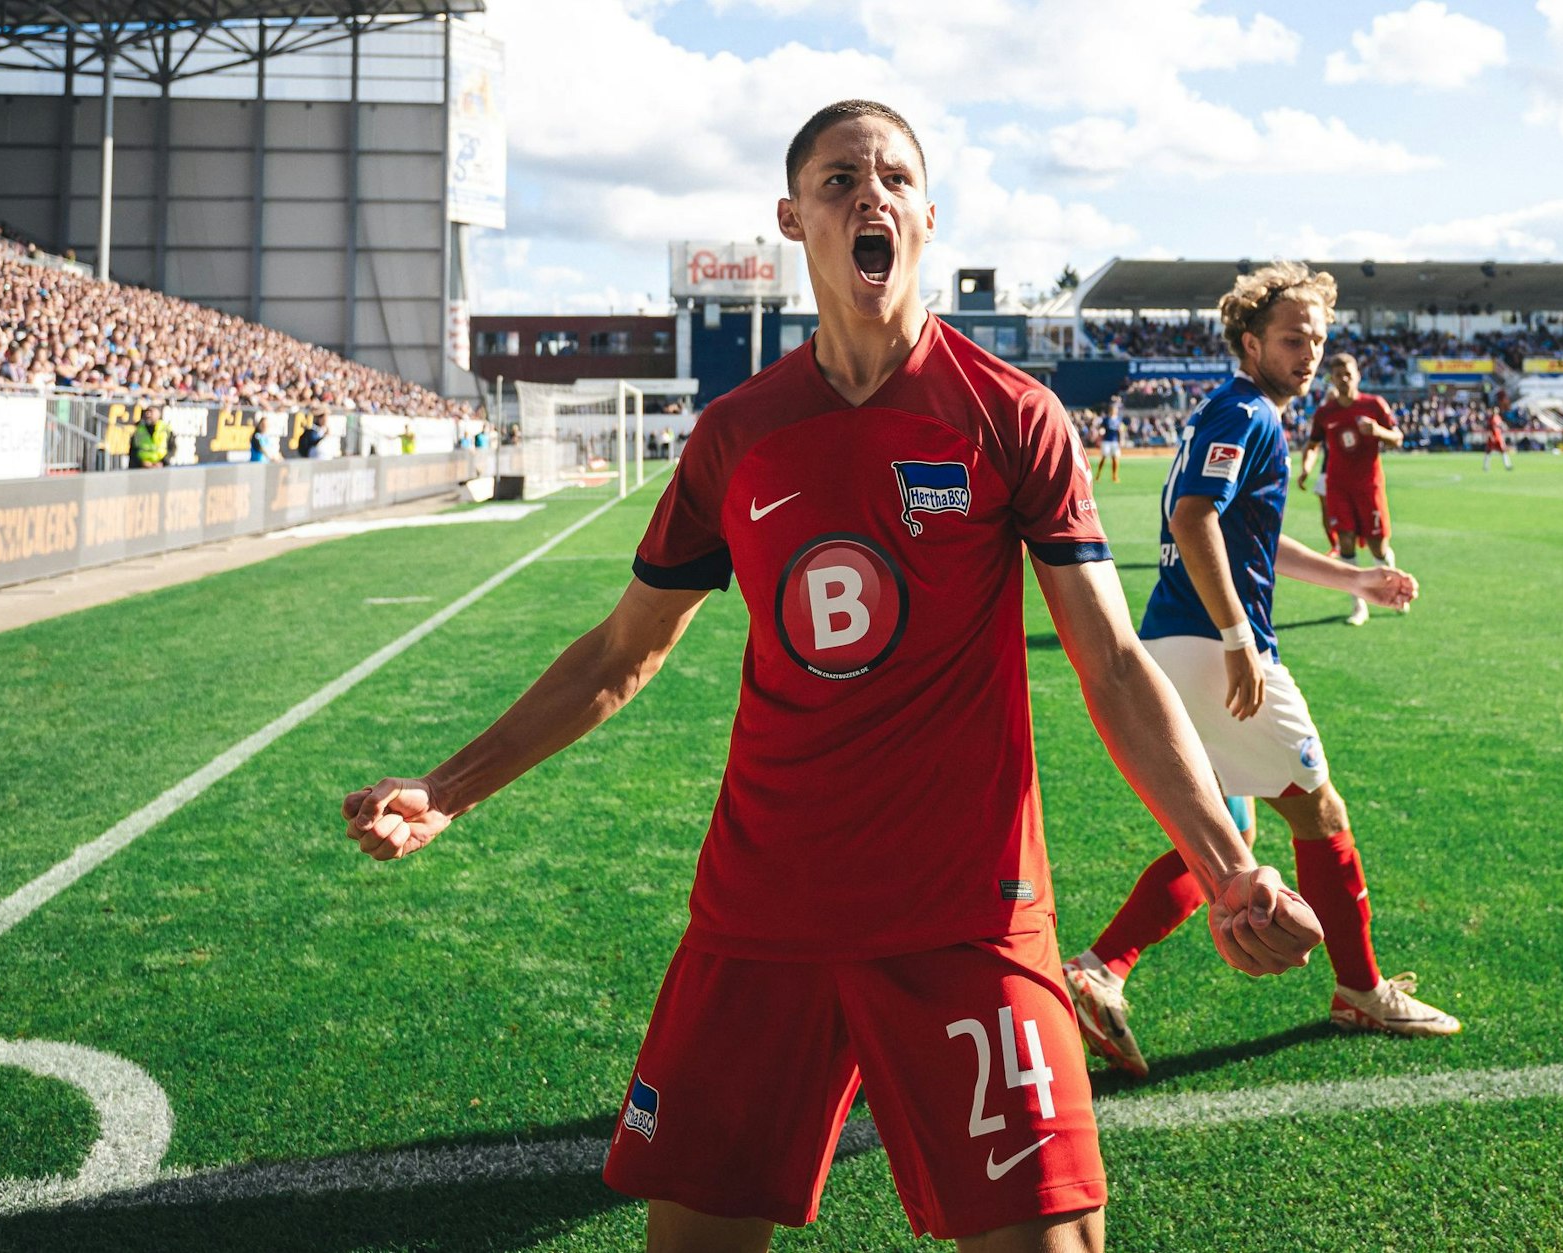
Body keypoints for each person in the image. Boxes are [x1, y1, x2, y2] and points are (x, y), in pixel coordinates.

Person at [343, 100, 1321, 1253]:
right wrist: (448, 785)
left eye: (894, 177)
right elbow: (622, 652)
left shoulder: (1012, 418)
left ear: (925, 217)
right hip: (765, 914)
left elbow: (1109, 662)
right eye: (839, 177)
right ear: (791, 217)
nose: (870, 193)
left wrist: (1225, 863)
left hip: (969, 914)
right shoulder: (736, 435)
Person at [1062, 261, 1459, 1080]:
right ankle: (1361, 989)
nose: (1308, 351)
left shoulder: (1233, 411)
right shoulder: (1249, 412)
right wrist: (1241, 636)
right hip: (1216, 650)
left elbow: (1249, 536)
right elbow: (1193, 516)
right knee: (1319, 811)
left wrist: (1356, 578)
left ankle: (1099, 971)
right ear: (1251, 342)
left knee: (1231, 830)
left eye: (1316, 337)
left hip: (1175, 643)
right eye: (1291, 338)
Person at [1297, 353, 1403, 625]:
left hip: (1369, 486)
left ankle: (1394, 589)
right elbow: (1313, 444)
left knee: (1378, 548)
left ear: (1357, 375)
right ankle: (1359, 605)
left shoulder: (1374, 405)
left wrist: (1378, 431)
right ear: (1331, 378)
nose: (1343, 379)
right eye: (1337, 375)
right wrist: (1306, 467)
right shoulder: (1325, 413)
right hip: (1338, 487)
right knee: (1345, 542)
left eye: (1348, 373)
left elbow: (1398, 438)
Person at [129, 405, 172, 470]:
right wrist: (142, 462)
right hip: (141, 468)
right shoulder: (139, 429)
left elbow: (172, 448)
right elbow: (133, 450)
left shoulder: (165, 429)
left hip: (161, 467)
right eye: (146, 412)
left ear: (158, 414)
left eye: (151, 412)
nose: (148, 414)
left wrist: (162, 462)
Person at [1093, 393, 1123, 483]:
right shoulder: (1106, 419)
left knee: (1115, 458)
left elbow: (1120, 431)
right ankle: (1098, 474)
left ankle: (1115, 476)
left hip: (1114, 441)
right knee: (1104, 457)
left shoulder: (1118, 420)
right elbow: (1101, 428)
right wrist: (1099, 435)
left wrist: (1121, 440)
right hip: (1106, 440)